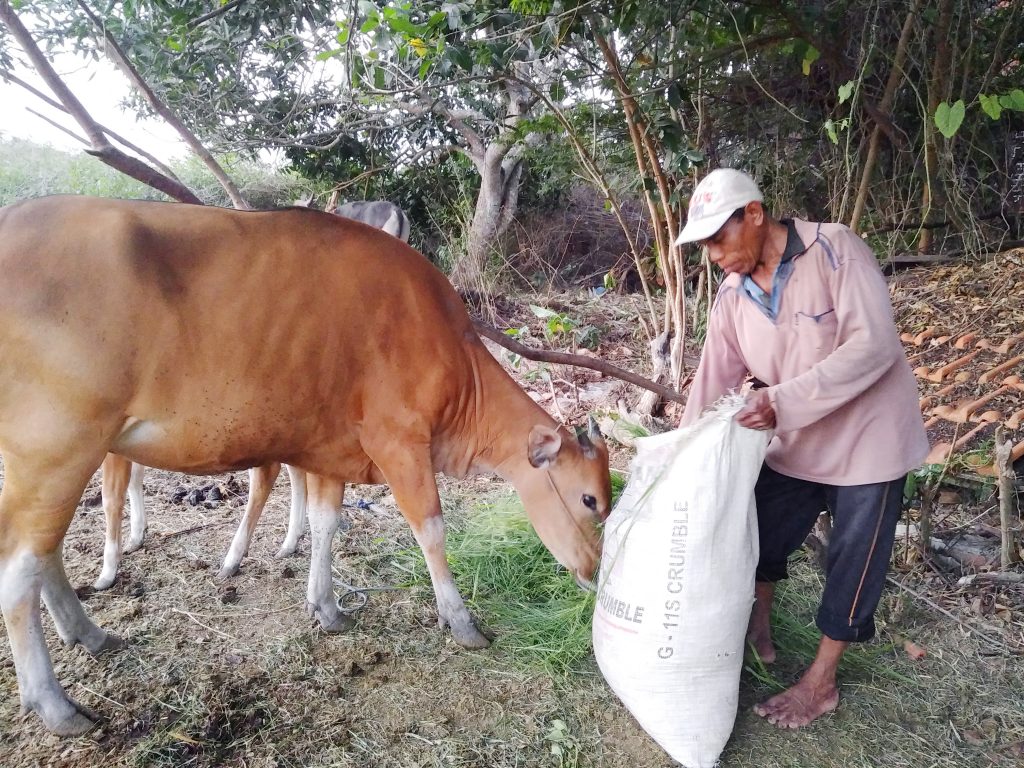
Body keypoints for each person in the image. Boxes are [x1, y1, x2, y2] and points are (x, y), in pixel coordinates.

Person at [675, 168, 928, 729]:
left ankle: (821, 682)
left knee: (853, 563)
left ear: (756, 215)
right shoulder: (732, 295)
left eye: (720, 237)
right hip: (796, 439)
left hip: (869, 439)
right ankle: (758, 629)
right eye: (705, 245)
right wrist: (676, 456)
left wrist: (781, 401)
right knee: (756, 532)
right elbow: (711, 380)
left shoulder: (836, 250)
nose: (714, 254)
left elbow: (874, 346)